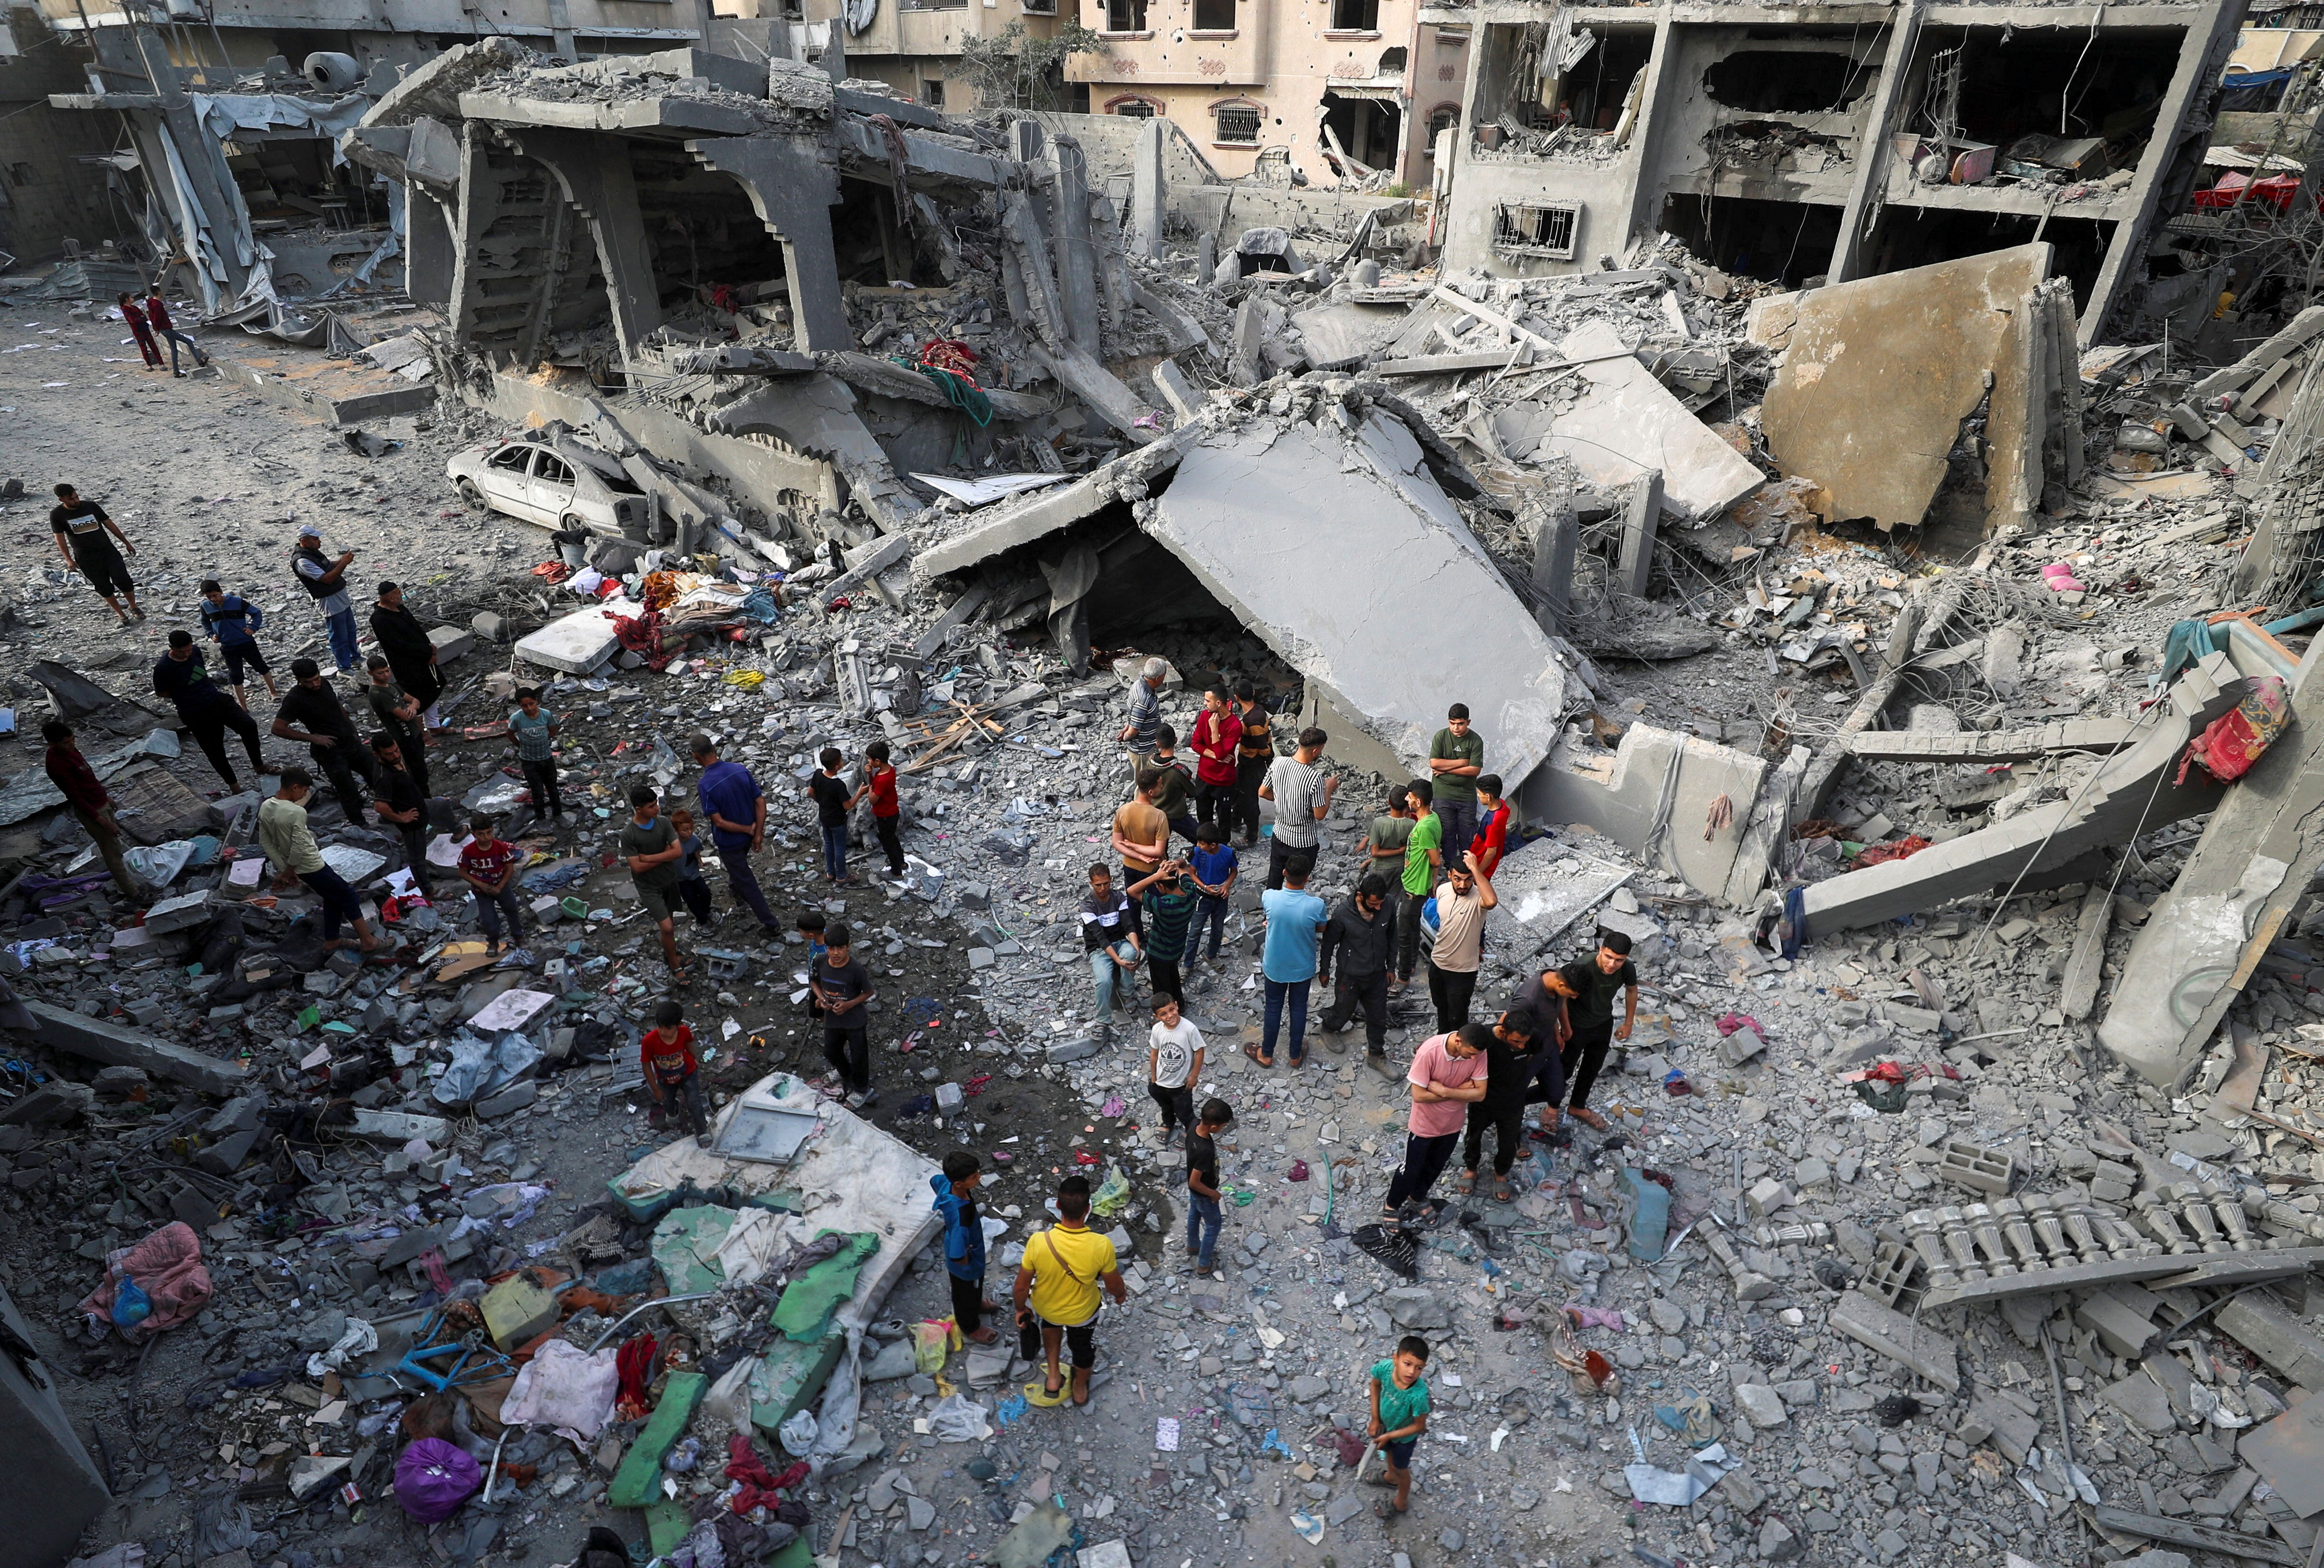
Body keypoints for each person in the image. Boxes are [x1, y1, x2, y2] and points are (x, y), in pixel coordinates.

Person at [1013, 1175, 1127, 1408]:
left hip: (1048, 1308)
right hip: (1082, 1314)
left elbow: (1022, 1286)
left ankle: (1054, 1377)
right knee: (1082, 1347)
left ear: (1057, 1206)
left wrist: (1020, 1308)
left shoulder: (1038, 1242)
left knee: (1051, 1329)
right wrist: (1120, 1296)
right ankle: (1080, 1389)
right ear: (1088, 1209)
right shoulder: (1101, 1245)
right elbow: (1113, 1285)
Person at [259, 768, 381, 954]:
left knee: (333, 897)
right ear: (295, 787)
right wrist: (289, 870)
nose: (304, 795)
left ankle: (332, 940)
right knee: (348, 895)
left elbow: (265, 841)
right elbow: (299, 846)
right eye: (304, 791)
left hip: (297, 867)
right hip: (311, 865)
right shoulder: (296, 812)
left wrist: (285, 868)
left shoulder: (267, 806)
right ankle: (368, 941)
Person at [1380, 1023, 1489, 1224]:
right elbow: (1419, 1095)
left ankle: (1418, 1197)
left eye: (1477, 1055)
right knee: (1411, 1169)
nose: (1474, 1059)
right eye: (1471, 1054)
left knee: (1436, 1165)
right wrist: (1463, 1091)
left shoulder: (1478, 1053)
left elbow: (1480, 1094)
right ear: (1458, 1041)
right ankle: (1392, 1205)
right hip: (1424, 1125)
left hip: (1453, 1124)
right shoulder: (1430, 1052)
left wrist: (1445, 1091)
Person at [41, 720, 144, 901]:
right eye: (66, 742)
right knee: (112, 853)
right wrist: (102, 821)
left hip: (100, 802)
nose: (72, 744)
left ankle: (129, 881)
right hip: (92, 811)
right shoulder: (57, 764)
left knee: (115, 847)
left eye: (73, 740)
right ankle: (133, 893)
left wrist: (105, 796)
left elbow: (88, 776)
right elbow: (76, 798)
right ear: (53, 745)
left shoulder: (71, 750)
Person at [1548, 932, 1639, 1132]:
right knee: (1564, 1068)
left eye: (1619, 960)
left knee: (1592, 1067)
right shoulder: (1583, 967)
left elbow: (1632, 990)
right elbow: (1560, 996)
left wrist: (1629, 1022)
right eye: (1609, 957)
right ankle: (1552, 1107)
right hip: (1577, 1024)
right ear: (1601, 950)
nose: (1612, 964)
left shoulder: (1627, 969)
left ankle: (1577, 1106)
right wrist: (1566, 1028)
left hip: (1603, 1022)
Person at [691, 735, 783, 932]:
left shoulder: (705, 784)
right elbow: (760, 802)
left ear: (695, 756)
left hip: (730, 842)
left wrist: (749, 830)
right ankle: (736, 890)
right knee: (739, 870)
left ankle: (771, 925)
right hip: (748, 838)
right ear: (714, 748)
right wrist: (757, 833)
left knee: (747, 881)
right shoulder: (739, 770)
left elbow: (719, 822)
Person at [153, 630, 264, 792]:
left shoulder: (196, 652)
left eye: (188, 650)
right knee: (215, 750)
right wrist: (184, 694)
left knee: (249, 726)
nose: (186, 654)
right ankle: (234, 786)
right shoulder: (163, 668)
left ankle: (259, 766)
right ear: (171, 648)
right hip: (195, 712)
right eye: (181, 651)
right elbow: (161, 692)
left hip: (216, 700)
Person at [1457, 1012, 1546, 1202]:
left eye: (1524, 1042)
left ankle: (1501, 1173)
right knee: (1474, 1135)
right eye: (1516, 1041)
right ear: (1503, 1031)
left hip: (1513, 1100)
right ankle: (1471, 1168)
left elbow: (1530, 1056)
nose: (1521, 1046)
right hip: (1483, 1100)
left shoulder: (1533, 1038)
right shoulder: (1486, 1039)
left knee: (1508, 1141)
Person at [272, 658, 375, 820]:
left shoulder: (324, 683)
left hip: (349, 742)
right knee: (347, 790)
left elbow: (336, 706)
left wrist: (352, 729)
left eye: (316, 679)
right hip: (330, 750)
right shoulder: (294, 699)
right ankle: (360, 824)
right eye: (309, 682)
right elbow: (278, 728)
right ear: (299, 680)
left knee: (376, 774)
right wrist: (313, 738)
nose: (315, 684)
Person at [1253, 860, 1327, 1070]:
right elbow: (1321, 928)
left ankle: (1266, 1053)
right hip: (1302, 967)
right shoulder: (1316, 905)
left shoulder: (1269, 897)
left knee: (1273, 1008)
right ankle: (1295, 1055)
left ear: (1284, 873)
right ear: (1308, 877)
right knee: (1298, 1009)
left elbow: (1270, 917)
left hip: (1275, 966)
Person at [1318, 873, 1397, 1066]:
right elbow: (1329, 944)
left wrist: (1391, 967)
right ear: (1361, 896)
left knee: (1378, 1016)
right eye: (1374, 904)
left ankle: (1376, 1055)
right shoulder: (1343, 914)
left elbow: (1392, 937)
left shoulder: (1388, 904)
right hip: (1350, 976)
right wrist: (1325, 970)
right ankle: (1328, 1028)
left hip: (1377, 974)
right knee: (1343, 1012)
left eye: (1381, 903)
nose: (1379, 907)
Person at [619, 785, 688, 981]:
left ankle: (671, 953)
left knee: (670, 922)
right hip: (649, 887)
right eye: (651, 806)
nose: (657, 808)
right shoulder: (629, 834)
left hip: (669, 880)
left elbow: (677, 852)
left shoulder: (664, 823)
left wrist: (648, 859)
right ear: (639, 809)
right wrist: (665, 856)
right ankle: (675, 966)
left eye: (656, 804)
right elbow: (637, 868)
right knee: (667, 927)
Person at [931, 1152, 1001, 1345]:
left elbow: (934, 1181)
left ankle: (976, 1303)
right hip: (966, 1264)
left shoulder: (948, 1185)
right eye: (974, 1177)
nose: (979, 1178)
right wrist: (967, 1260)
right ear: (960, 1183)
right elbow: (957, 1256)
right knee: (965, 1293)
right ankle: (970, 1326)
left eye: (977, 1173)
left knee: (972, 1290)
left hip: (960, 1245)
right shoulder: (961, 1218)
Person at [50, 483, 142, 624]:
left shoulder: (91, 507)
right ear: (62, 500)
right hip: (86, 558)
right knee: (103, 587)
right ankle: (121, 614)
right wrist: (68, 559)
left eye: (77, 497)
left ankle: (134, 607)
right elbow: (60, 539)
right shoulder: (57, 515)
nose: (76, 501)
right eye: (72, 499)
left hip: (108, 551)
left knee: (123, 579)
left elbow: (109, 524)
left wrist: (126, 543)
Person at [1427, 849, 1498, 1033]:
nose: (1463, 885)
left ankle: (1459, 1053)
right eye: (1458, 879)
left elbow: (1491, 901)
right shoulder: (1442, 890)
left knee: (1458, 1017)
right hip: (1438, 964)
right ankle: (1443, 1045)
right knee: (1441, 1008)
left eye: (1468, 879)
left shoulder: (1479, 898)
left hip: (1463, 971)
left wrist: (1475, 868)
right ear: (1450, 875)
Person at [1258, 726, 1336, 891]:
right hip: (1303, 843)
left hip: (1280, 834)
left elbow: (1263, 792)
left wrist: (1282, 798)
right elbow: (1320, 815)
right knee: (1296, 883)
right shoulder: (1314, 778)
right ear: (1315, 751)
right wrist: (1328, 789)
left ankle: (1271, 913)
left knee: (1275, 878)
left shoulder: (1278, 763)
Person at [1368, 1336, 1434, 1524]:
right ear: (1395, 1358)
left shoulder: (1418, 1396)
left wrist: (1389, 1435)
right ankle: (1390, 1478)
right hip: (1386, 1428)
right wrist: (1375, 1419)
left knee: (1402, 1469)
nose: (1412, 1372)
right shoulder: (1385, 1369)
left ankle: (1401, 1502)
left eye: (1419, 1367)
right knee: (1389, 1455)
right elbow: (1375, 1385)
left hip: (1403, 1439)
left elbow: (1419, 1426)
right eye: (1407, 1364)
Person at [812, 922, 876, 1108]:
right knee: (831, 1051)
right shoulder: (820, 962)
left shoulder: (855, 969)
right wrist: (821, 999)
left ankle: (862, 1089)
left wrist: (849, 1005)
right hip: (833, 1019)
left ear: (848, 947)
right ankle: (843, 1072)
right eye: (831, 948)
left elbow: (868, 992)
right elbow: (814, 982)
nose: (836, 953)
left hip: (854, 1021)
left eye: (840, 948)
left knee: (859, 1057)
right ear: (826, 947)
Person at [1507, 967, 1578, 1135]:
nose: (1574, 997)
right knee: (1513, 1098)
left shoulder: (1556, 983)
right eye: (1572, 994)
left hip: (1547, 1046)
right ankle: (1511, 1136)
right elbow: (1506, 1027)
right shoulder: (1527, 999)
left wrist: (1562, 1031)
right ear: (1561, 985)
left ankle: (1517, 1101)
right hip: (1526, 1055)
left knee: (1556, 1091)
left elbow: (1554, 1008)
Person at [1080, 865, 1140, 1044]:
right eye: (1098, 885)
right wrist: (1118, 961)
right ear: (1091, 884)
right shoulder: (1088, 906)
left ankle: (1127, 991)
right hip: (1099, 949)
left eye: (1106, 883)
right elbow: (1100, 938)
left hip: (1120, 942)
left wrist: (1136, 951)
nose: (1103, 888)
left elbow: (1129, 925)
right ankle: (1103, 1021)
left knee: (1131, 953)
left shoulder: (1119, 898)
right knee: (1103, 981)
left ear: (1111, 880)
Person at [290, 524, 360, 674]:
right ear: (305, 541)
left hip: (339, 596)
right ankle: (344, 667)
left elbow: (327, 565)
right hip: (329, 601)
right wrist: (344, 563)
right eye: (315, 539)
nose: (319, 542)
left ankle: (355, 657)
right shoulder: (302, 561)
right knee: (339, 635)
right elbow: (327, 579)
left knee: (350, 630)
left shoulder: (312, 553)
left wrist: (340, 561)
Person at [369, 582, 443, 721]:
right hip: (408, 666)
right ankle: (423, 733)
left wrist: (430, 651)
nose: (401, 595)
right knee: (417, 698)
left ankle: (434, 726)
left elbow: (417, 630)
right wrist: (427, 651)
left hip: (422, 658)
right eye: (398, 593)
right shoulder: (380, 619)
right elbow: (399, 646)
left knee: (431, 690)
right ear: (391, 598)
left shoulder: (401, 609)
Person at [369, 734, 431, 895]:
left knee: (443, 806)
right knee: (417, 859)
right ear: (378, 754)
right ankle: (427, 890)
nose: (396, 756)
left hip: (421, 809)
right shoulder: (384, 777)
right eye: (389, 754)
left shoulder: (395, 762)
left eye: (396, 751)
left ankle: (458, 830)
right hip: (413, 824)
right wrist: (402, 819)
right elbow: (380, 806)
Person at [1110, 770, 1169, 937]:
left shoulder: (1123, 810)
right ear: (1151, 792)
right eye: (1160, 786)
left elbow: (1117, 843)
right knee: (1159, 904)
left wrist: (1133, 848)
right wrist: (1142, 854)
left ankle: (1137, 936)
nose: (1162, 788)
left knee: (1133, 903)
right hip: (1153, 871)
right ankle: (1160, 936)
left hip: (1130, 866)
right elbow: (1158, 851)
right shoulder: (1159, 816)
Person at [1128, 858, 1197, 1001]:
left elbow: (1132, 891)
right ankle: (1180, 1004)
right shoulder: (1190, 892)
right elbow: (1184, 865)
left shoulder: (1163, 906)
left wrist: (1156, 876)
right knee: (1173, 976)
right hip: (1178, 949)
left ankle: (1166, 1012)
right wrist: (1177, 863)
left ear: (1161, 887)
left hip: (1159, 953)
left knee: (1162, 987)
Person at [641, 999, 709, 1141]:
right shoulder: (649, 1041)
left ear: (679, 1025)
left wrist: (694, 1058)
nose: (663, 1032)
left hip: (687, 1073)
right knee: (667, 1102)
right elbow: (646, 1065)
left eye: (668, 1028)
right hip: (665, 1080)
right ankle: (672, 1115)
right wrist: (655, 1089)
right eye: (660, 1027)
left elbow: (689, 1043)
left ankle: (702, 1131)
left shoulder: (684, 1032)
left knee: (694, 1102)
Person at [1394, 787, 1441, 994]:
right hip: (1417, 885)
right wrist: (1433, 880)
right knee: (1412, 926)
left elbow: (1435, 858)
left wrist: (1432, 879)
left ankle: (1403, 977)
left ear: (1419, 802)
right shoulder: (1433, 819)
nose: (1407, 799)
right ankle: (1411, 964)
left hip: (1415, 888)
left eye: (1411, 797)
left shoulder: (1423, 829)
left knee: (1404, 933)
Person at [364, 655, 431, 799]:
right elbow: (404, 716)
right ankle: (424, 799)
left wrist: (411, 707)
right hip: (404, 736)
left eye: (387, 671)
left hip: (414, 732)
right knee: (417, 770)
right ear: (371, 674)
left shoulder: (391, 686)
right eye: (381, 673)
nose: (386, 675)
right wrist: (411, 709)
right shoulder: (378, 693)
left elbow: (415, 701)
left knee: (420, 766)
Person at [199, 579, 275, 706]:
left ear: (221, 592)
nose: (213, 599)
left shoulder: (237, 602)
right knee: (236, 676)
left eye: (215, 596)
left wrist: (253, 628)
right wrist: (211, 635)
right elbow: (205, 622)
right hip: (228, 646)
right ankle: (243, 707)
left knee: (261, 667)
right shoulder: (205, 607)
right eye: (209, 597)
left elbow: (256, 613)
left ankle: (273, 692)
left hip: (246, 642)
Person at [457, 814, 526, 954]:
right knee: (488, 919)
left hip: (501, 886)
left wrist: (500, 887)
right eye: (481, 834)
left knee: (512, 910)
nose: (486, 837)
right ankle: (493, 943)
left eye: (489, 833)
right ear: (474, 834)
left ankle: (519, 937)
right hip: (481, 891)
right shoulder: (469, 851)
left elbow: (510, 868)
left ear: (493, 830)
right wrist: (481, 885)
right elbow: (463, 872)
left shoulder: (500, 847)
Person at [1145, 991, 1205, 1147]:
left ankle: (1192, 1131)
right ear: (1156, 1016)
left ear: (1177, 1006)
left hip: (1181, 1084)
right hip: (1161, 1081)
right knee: (1165, 1106)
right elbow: (1154, 1054)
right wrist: (1154, 1077)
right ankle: (1168, 1123)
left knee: (1185, 1112)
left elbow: (1199, 1051)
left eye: (1172, 1010)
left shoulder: (1189, 1029)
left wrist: (1194, 1076)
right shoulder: (1158, 1030)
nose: (1170, 1016)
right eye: (1163, 1014)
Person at [1182, 822, 1238, 983]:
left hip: (1221, 898)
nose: (1198, 845)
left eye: (1202, 843)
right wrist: (1205, 887)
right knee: (1194, 932)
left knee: (1218, 929)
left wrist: (1227, 886)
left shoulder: (1228, 853)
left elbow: (1234, 871)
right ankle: (1188, 964)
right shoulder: (1198, 852)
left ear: (1213, 845)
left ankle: (1211, 956)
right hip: (1202, 898)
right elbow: (1191, 873)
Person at [1429, 704, 1484, 866]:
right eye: (1452, 723)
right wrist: (1463, 762)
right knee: (1447, 832)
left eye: (1460, 724)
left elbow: (1474, 770)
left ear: (1468, 722)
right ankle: (1450, 867)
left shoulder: (1475, 740)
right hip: (1443, 795)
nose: (1456, 728)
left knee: (1466, 833)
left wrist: (1446, 771)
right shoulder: (1441, 737)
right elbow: (1434, 763)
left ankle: (1467, 867)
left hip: (1466, 797)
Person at [1187, 684, 1242, 839]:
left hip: (1224, 781)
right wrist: (1214, 756)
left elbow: (1221, 752)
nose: (1205, 704)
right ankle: (1206, 844)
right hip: (1204, 777)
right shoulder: (1205, 716)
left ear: (1219, 703)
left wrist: (1214, 729)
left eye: (1207, 701)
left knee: (1224, 817)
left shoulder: (1235, 725)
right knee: (1204, 815)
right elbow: (1195, 744)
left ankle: (1223, 846)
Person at [1185, 1096, 1232, 1276]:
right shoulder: (1205, 1150)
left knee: (1194, 1214)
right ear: (1214, 1127)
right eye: (1222, 1126)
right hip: (1203, 1192)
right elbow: (1194, 1182)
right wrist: (1213, 1194)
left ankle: (1193, 1245)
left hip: (1195, 1193)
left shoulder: (1194, 1125)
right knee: (1214, 1225)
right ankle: (1204, 1264)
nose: (1222, 1129)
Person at [510, 688, 562, 825]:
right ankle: (541, 819)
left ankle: (558, 814)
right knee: (537, 791)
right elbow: (510, 734)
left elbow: (552, 730)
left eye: (532, 704)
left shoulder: (546, 715)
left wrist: (544, 740)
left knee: (552, 788)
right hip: (529, 761)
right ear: (519, 706)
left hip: (546, 758)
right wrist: (520, 746)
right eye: (524, 706)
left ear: (537, 701)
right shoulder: (517, 718)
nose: (529, 708)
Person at [1231, 680, 1272, 848]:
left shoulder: (1252, 721)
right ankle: (1235, 821)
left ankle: (1251, 836)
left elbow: (1262, 745)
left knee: (1249, 800)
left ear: (1236, 698)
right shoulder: (1259, 711)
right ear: (1253, 693)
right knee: (1239, 791)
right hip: (1249, 763)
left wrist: (1265, 758)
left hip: (1253, 765)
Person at [1116, 656, 1168, 780]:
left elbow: (1134, 718)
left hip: (1145, 745)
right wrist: (1126, 737)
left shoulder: (1138, 684)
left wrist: (1124, 730)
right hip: (1142, 750)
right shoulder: (1143, 700)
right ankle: (1141, 800)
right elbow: (1134, 730)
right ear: (1157, 678)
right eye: (1164, 676)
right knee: (1144, 783)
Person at [807, 747, 853, 885]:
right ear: (838, 765)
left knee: (828, 844)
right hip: (838, 821)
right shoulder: (839, 785)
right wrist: (860, 793)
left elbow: (810, 792)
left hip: (824, 817)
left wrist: (821, 802)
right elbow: (848, 806)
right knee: (839, 848)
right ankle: (842, 876)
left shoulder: (818, 774)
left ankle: (830, 872)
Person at [1144, 726, 1198, 846]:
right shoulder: (1179, 771)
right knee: (1202, 840)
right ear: (1176, 740)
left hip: (1156, 815)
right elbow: (1193, 792)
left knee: (1159, 849)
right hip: (1177, 815)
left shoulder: (1149, 764)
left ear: (1158, 744)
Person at [862, 740, 907, 879]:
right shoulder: (889, 770)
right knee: (893, 838)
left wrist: (870, 790)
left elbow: (872, 799)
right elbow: (874, 783)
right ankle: (901, 863)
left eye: (870, 759)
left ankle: (896, 872)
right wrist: (870, 775)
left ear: (877, 761)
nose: (869, 762)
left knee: (887, 843)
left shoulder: (882, 780)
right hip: (893, 811)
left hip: (885, 815)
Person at [668, 807, 717, 928]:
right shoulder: (672, 844)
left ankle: (706, 911)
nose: (689, 832)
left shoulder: (694, 839)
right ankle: (702, 921)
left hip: (694, 873)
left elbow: (696, 851)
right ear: (676, 831)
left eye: (691, 829)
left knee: (705, 892)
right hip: (680, 879)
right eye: (685, 830)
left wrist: (700, 861)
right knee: (691, 900)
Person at [144, 288, 209, 376]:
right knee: (184, 344)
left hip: (165, 330)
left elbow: (153, 317)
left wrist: (157, 328)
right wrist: (156, 329)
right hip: (166, 329)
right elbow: (157, 318)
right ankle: (195, 363)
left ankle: (180, 369)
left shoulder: (152, 303)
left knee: (175, 348)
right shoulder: (157, 305)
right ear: (159, 292)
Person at [1362, 785, 1416, 889]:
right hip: (1401, 866)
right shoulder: (1412, 824)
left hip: (1381, 868)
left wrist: (1399, 851)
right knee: (1394, 899)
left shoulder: (1378, 823)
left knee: (1376, 894)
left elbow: (1375, 853)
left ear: (1388, 802)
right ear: (1407, 805)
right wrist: (1401, 851)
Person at [1469, 774, 1512, 879]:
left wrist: (1477, 873)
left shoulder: (1493, 823)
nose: (1478, 796)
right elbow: (1508, 812)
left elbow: (1491, 852)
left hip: (1481, 864)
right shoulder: (1502, 805)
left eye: (1480, 793)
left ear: (1488, 797)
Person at [117, 292, 162, 370]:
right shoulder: (125, 309)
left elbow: (144, 317)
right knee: (143, 348)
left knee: (153, 346)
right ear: (126, 300)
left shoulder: (134, 308)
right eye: (131, 298)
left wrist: (141, 319)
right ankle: (149, 365)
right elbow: (133, 320)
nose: (133, 299)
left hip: (145, 328)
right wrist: (141, 319)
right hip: (138, 331)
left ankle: (161, 363)